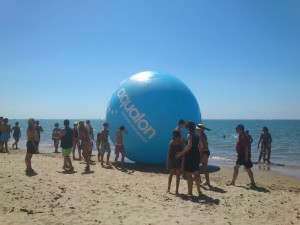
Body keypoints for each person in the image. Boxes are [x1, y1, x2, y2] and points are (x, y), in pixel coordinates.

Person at [176, 121, 201, 196]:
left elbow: (189, 145)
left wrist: (181, 153)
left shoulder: (189, 135)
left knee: (189, 175)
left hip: (190, 156)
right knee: (196, 173)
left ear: (187, 127)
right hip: (196, 155)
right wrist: (195, 150)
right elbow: (201, 145)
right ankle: (199, 191)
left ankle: (190, 192)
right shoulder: (198, 134)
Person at [166, 130, 183, 194]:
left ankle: (176, 190)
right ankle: (169, 188)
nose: (177, 137)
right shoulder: (172, 142)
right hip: (173, 160)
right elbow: (168, 153)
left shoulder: (177, 142)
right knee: (172, 174)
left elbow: (182, 153)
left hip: (176, 160)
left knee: (176, 175)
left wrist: (182, 162)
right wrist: (167, 162)